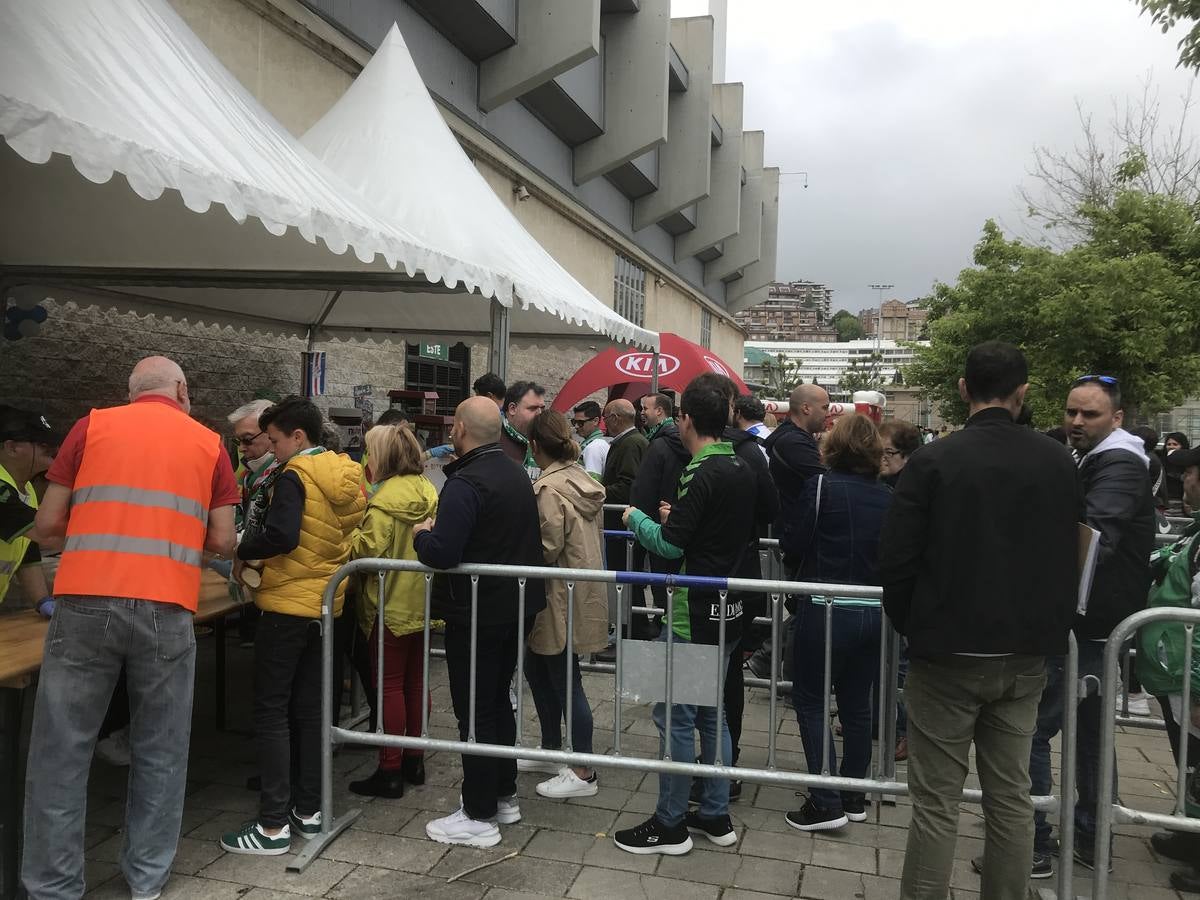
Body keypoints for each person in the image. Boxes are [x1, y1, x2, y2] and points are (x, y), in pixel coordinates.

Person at [24, 356, 238, 899]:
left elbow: (47, 527)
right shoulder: (209, 444)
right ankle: (145, 881)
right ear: (182, 391)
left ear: (131, 392)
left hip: (85, 602)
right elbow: (224, 540)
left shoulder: (90, 426)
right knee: (161, 748)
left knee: (61, 750)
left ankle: (52, 887)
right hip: (167, 606)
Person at [879, 341, 1082, 900]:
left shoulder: (935, 461)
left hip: (946, 651)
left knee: (937, 803)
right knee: (1011, 796)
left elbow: (896, 561)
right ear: (1023, 394)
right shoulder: (1056, 460)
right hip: (1024, 653)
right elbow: (1071, 550)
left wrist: (914, 625)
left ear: (964, 389)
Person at [615, 376, 757, 856]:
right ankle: (716, 816)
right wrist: (677, 518)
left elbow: (671, 544)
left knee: (673, 717)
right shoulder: (741, 465)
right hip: (728, 610)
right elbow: (711, 530)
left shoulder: (701, 470)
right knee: (712, 716)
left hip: (690, 613)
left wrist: (637, 519)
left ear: (686, 420)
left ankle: (670, 824)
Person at [219, 397, 366, 855]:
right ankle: (308, 810)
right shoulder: (343, 472)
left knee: (271, 714)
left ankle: (271, 826)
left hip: (285, 606)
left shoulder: (294, 476)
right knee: (309, 712)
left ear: (297, 437)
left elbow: (282, 536)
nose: (272, 448)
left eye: (276, 440)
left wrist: (241, 546)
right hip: (324, 605)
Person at [1024, 374, 1154, 874]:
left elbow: (1094, 538)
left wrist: (1038, 589)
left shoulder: (1118, 463)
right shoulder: (1103, 457)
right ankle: (1090, 838)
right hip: (1095, 621)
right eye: (1071, 412)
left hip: (1086, 624)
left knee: (1034, 729)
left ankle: (1034, 843)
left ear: (1116, 418)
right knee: (1091, 737)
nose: (1076, 422)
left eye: (1090, 414)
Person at [413, 397, 547, 847]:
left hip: (477, 612)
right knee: (496, 701)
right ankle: (503, 794)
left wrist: (422, 536)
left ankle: (478, 812)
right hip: (514, 609)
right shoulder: (514, 472)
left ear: (459, 430)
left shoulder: (466, 482)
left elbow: (444, 553)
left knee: (475, 705)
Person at [782, 413, 892, 832]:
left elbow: (794, 541)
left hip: (824, 606)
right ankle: (853, 794)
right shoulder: (888, 496)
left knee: (810, 700)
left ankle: (825, 802)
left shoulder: (821, 486)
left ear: (833, 446)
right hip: (872, 610)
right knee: (856, 703)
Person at [518, 410, 609, 799]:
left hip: (556, 593)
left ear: (535, 445)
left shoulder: (549, 488)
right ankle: (553, 748)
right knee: (540, 668)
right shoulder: (581, 478)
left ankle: (583, 769)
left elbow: (546, 547)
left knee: (564, 678)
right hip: (578, 590)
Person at [346, 423, 438, 798]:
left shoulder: (383, 502)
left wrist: (349, 533)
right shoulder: (429, 491)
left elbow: (365, 554)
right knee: (416, 683)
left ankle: (389, 769)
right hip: (422, 602)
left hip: (387, 606)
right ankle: (414, 759)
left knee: (388, 687)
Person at [1134, 443, 1200, 892]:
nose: (1185, 482)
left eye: (1191, 473)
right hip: (1177, 668)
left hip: (1193, 675)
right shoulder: (1195, 530)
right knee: (1190, 761)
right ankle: (1190, 833)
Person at [630, 395, 688, 641]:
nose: (641, 412)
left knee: (662, 582)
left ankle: (665, 627)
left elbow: (643, 489)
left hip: (659, 524)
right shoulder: (677, 442)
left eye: (645, 408)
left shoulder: (659, 444)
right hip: (675, 520)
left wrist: (638, 520)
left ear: (661, 411)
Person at [0, 407, 58, 611]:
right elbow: (47, 535)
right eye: (39, 442)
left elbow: (27, 552)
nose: (50, 447)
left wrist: (42, 601)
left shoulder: (27, 491)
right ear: (12, 448)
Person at [602, 399, 650, 643]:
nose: (604, 423)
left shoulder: (631, 444)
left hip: (623, 526)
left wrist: (597, 491)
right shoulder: (631, 442)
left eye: (605, 417)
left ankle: (634, 632)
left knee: (627, 579)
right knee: (627, 580)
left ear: (615, 418)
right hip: (622, 525)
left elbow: (627, 486)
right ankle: (631, 631)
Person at [764, 384, 829, 557]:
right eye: (825, 407)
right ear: (806, 408)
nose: (828, 414)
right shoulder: (794, 443)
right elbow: (827, 481)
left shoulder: (794, 439)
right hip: (799, 538)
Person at [499, 380, 547, 480]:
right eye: (532, 408)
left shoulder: (548, 439)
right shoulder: (494, 439)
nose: (539, 414)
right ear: (512, 408)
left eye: (542, 408)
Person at [878, 420, 921, 490]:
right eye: (878, 451)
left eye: (889, 453)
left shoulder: (912, 490)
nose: (881, 457)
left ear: (908, 456)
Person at [571, 400, 609, 480]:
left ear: (595, 421)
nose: (576, 426)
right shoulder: (599, 443)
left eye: (580, 422)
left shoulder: (593, 447)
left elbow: (592, 483)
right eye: (574, 422)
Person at [1163, 432, 1193, 513]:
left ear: (1183, 446)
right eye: (1168, 444)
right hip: (1165, 504)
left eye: (1175, 444)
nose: (1171, 447)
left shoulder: (1190, 464)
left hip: (1184, 505)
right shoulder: (1161, 462)